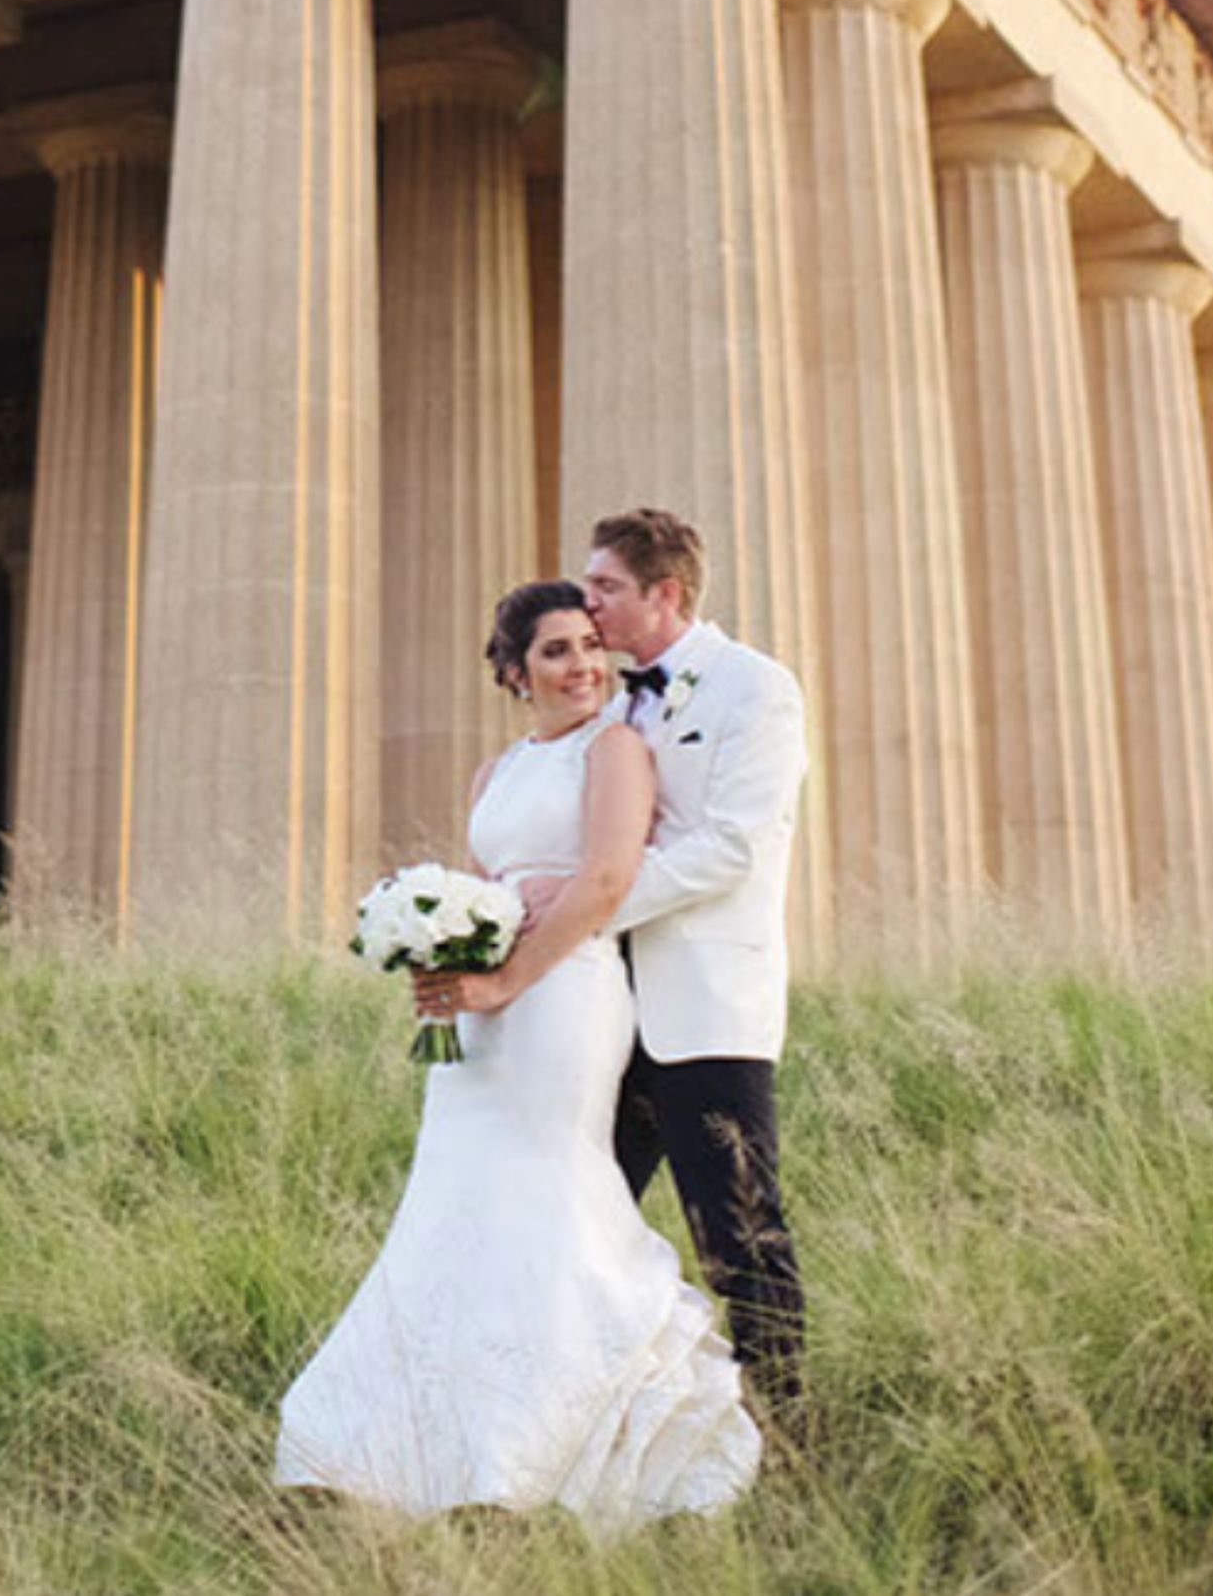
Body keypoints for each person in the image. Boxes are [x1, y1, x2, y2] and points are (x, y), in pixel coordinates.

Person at [274, 580, 760, 1534]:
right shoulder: (492, 774)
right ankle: (410, 1443)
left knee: (546, 1179)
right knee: (457, 1194)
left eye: (589, 645)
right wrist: (443, 956)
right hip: (485, 1009)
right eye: (555, 650)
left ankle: (537, 1441)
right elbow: (488, 887)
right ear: (512, 671)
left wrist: (508, 980)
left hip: (566, 993)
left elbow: (607, 878)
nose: (582, 665)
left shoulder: (614, 749)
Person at [551, 507, 811, 1411]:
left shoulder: (756, 688)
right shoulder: (614, 704)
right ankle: (594, 1414)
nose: (588, 600)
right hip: (604, 1010)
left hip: (708, 1006)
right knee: (581, 1218)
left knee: (737, 1232)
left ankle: (783, 1426)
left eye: (606, 586)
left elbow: (734, 845)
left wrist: (593, 901)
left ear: (664, 594)